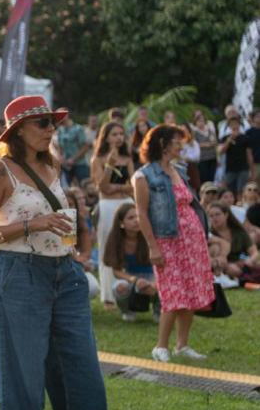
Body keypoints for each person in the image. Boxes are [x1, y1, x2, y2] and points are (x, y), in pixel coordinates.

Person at [0, 96, 112, 410]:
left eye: (53, 122)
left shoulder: (53, 164)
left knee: (82, 369)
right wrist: (32, 225)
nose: (51, 129)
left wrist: (76, 250)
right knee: (23, 373)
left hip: (65, 273)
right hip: (21, 273)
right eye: (43, 123)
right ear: (18, 131)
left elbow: (62, 218)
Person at [133, 123, 214, 362]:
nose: (181, 145)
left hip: (191, 240)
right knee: (173, 292)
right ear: (163, 144)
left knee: (191, 289)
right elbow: (141, 214)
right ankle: (161, 346)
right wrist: (153, 246)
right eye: (177, 141)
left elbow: (189, 202)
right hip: (166, 241)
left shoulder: (179, 169)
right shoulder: (143, 175)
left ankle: (182, 344)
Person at [90, 121, 136, 306]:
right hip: (107, 206)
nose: (119, 137)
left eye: (121, 134)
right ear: (106, 137)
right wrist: (109, 167)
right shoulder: (97, 160)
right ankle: (108, 295)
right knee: (107, 249)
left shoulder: (128, 159)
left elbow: (133, 186)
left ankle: (127, 293)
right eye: (114, 134)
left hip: (127, 204)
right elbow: (102, 187)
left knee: (127, 246)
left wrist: (116, 188)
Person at [102, 203, 159, 321]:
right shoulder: (116, 240)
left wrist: (154, 283)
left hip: (154, 275)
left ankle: (158, 311)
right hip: (130, 277)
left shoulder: (151, 236)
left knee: (161, 286)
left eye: (138, 216)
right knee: (119, 287)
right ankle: (128, 311)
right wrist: (135, 280)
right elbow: (116, 271)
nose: (136, 220)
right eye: (131, 218)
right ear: (121, 223)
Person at [56, 112, 92, 188]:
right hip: (65, 165)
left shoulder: (78, 128)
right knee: (65, 189)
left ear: (67, 115)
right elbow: (60, 147)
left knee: (86, 187)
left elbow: (85, 147)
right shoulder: (60, 130)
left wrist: (73, 159)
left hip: (80, 164)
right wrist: (60, 157)